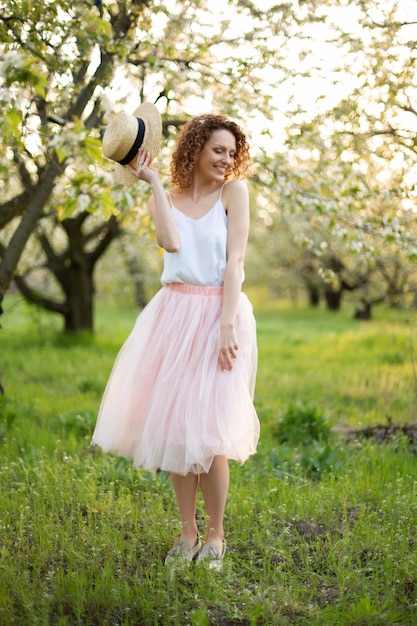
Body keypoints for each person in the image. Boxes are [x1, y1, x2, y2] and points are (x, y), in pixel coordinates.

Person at [92, 103, 260, 569]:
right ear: (196, 148)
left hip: (218, 314)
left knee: (210, 434)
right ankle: (186, 533)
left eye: (232, 152)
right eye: (217, 150)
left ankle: (215, 536)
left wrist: (226, 324)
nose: (226, 159)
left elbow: (236, 264)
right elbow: (170, 243)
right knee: (176, 430)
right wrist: (153, 184)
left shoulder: (234, 194)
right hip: (173, 313)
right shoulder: (165, 195)